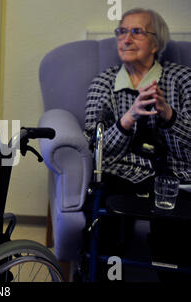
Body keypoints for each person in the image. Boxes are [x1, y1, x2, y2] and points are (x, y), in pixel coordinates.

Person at [84, 8, 191, 280]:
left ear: (156, 43)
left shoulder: (182, 79)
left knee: (173, 240)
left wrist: (168, 115)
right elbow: (95, 148)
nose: (126, 39)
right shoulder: (104, 83)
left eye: (136, 32)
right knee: (104, 213)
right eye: (121, 31)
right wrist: (128, 119)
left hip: (177, 176)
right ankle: (100, 272)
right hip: (124, 173)